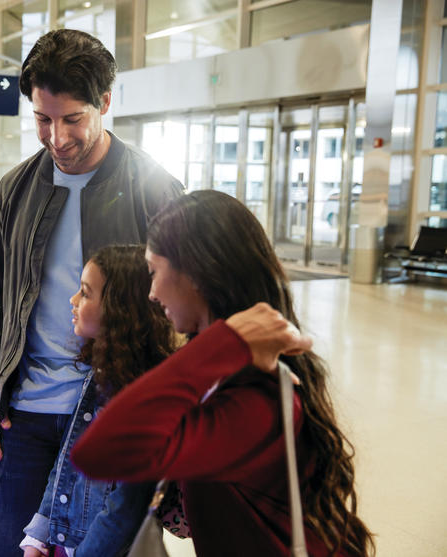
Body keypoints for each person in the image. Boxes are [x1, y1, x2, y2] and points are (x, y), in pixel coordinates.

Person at [71, 190, 375, 556]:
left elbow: (99, 452)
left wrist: (225, 342)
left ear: (195, 274)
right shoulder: (224, 372)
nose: (150, 293)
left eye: (154, 272)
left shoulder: (252, 394)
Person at [0, 28, 184, 556]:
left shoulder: (154, 190)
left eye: (72, 119)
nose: (56, 137)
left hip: (111, 409)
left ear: (105, 103)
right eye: (42, 119)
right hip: (24, 410)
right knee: (6, 545)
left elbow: (180, 310)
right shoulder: (16, 189)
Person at [19, 245, 182, 557]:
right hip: (66, 543)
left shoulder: (146, 400)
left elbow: (124, 511)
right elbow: (66, 462)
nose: (73, 300)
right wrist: (38, 536)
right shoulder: (100, 375)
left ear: (119, 309)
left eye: (85, 293)